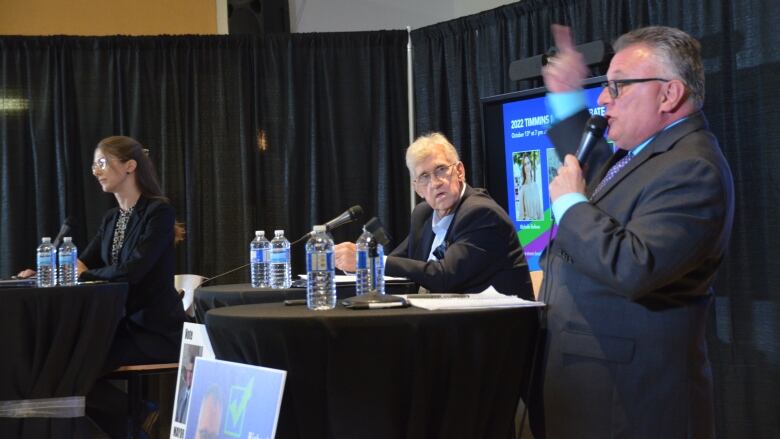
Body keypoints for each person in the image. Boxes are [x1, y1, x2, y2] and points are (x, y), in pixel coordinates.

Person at [534, 25, 734, 438]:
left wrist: (571, 205)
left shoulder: (693, 167)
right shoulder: (647, 154)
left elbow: (634, 266)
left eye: (618, 86)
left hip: (629, 405)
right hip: (593, 393)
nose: (604, 100)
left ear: (668, 94)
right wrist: (567, 97)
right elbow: (599, 167)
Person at [334, 132, 532, 298]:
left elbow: (444, 276)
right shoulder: (424, 214)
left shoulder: (481, 214)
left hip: (496, 331)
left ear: (460, 171)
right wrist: (354, 263)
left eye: (441, 170)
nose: (435, 183)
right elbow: (395, 264)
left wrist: (370, 260)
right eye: (424, 177)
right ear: (417, 188)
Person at [517, 153, 542, 220]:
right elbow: (521, 216)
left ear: (530, 164)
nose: (527, 166)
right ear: (523, 168)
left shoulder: (535, 185)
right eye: (525, 164)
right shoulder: (522, 189)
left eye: (528, 163)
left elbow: (539, 211)